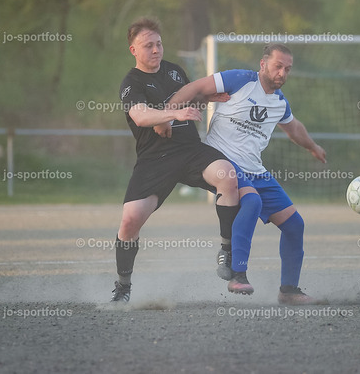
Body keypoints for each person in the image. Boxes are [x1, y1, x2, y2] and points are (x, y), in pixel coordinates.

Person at [165, 44, 327, 305]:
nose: (282, 73)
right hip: (222, 162)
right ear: (263, 64)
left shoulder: (279, 103)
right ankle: (237, 274)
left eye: (287, 69)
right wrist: (166, 115)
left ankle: (289, 291)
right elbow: (194, 88)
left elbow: (294, 128)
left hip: (255, 170)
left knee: (295, 225)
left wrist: (313, 147)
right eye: (278, 66)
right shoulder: (239, 80)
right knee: (252, 201)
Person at [110, 17, 241, 302]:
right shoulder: (131, 83)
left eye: (159, 44)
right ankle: (123, 287)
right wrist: (173, 114)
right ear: (133, 50)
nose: (156, 50)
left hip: (190, 151)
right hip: (155, 159)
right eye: (148, 45)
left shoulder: (174, 71)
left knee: (228, 176)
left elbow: (192, 101)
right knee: (129, 221)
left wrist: (208, 98)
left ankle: (227, 251)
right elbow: (140, 115)